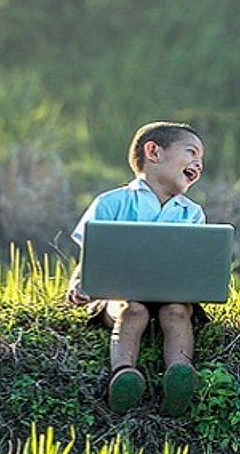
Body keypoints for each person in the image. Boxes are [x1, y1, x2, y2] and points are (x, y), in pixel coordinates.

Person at [64, 121, 207, 416]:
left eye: (201, 160)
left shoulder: (191, 213)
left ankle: (180, 374)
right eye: (191, 153)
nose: (198, 164)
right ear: (153, 152)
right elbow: (90, 256)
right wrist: (79, 283)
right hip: (122, 294)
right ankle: (124, 374)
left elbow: (195, 264)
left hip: (173, 295)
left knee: (177, 312)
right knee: (134, 310)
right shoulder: (111, 202)